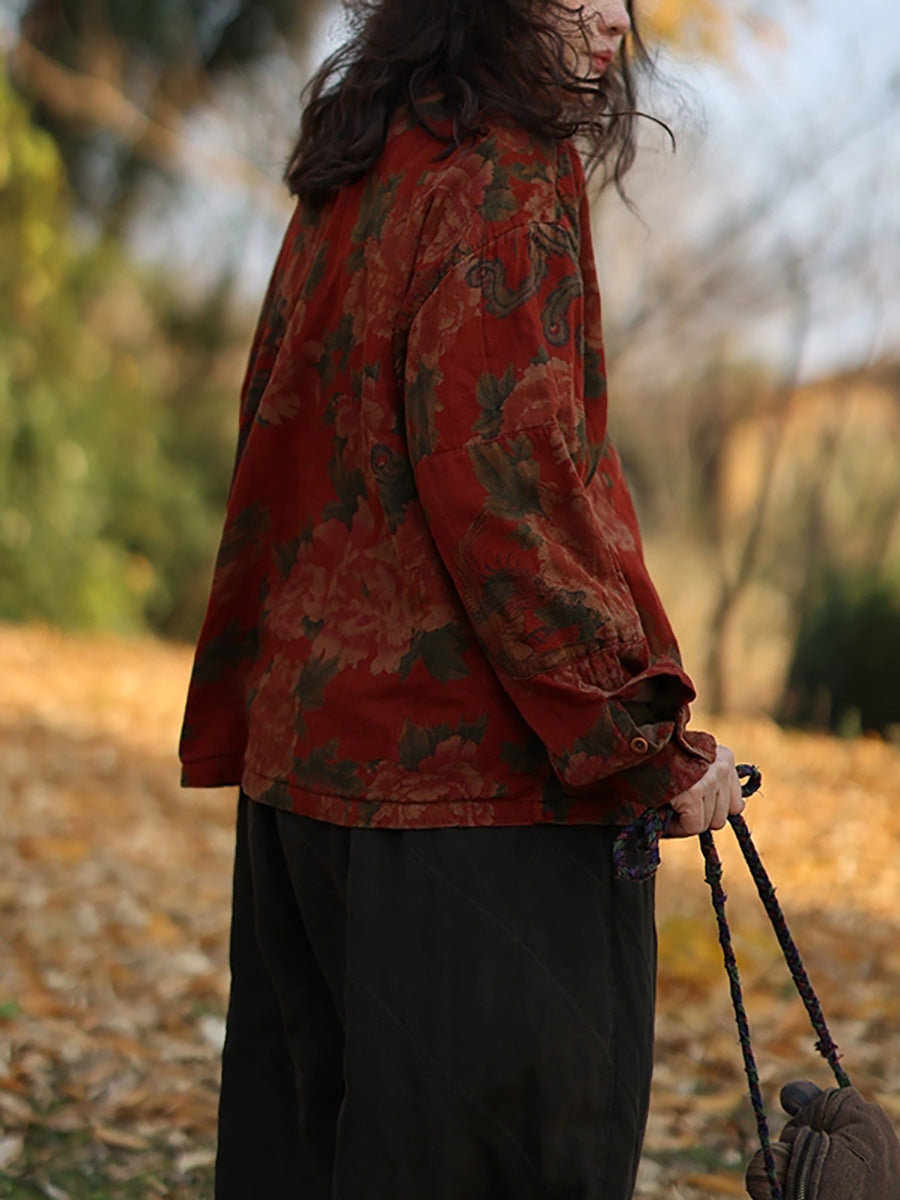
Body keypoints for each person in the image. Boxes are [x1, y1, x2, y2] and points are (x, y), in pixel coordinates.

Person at [179, 1, 745, 1196]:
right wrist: (645, 743)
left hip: (306, 776)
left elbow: (276, 439)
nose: (610, 14)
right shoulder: (505, 177)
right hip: (477, 807)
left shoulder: (364, 154)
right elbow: (510, 492)